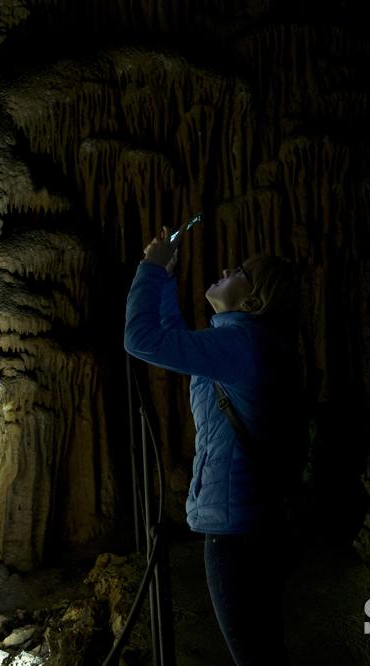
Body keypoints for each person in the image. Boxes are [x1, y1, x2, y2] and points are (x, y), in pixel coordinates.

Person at [123, 227, 300, 666]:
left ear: (253, 301)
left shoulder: (240, 344)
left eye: (239, 271)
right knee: (264, 648)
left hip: (236, 533)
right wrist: (163, 279)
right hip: (256, 526)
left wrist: (147, 268)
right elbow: (171, 334)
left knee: (254, 656)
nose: (224, 269)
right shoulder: (244, 344)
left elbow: (140, 339)